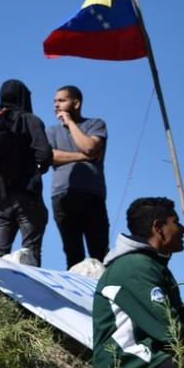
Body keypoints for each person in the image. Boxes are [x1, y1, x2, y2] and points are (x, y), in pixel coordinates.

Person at [92, 197, 184, 368]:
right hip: (131, 364)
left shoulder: (152, 266)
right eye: (176, 222)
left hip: (151, 363)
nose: (183, 229)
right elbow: (174, 333)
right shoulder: (135, 268)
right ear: (158, 227)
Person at [0, 79, 52, 266]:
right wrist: (35, 175)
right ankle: (30, 293)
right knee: (30, 251)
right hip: (27, 197)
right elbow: (45, 154)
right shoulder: (29, 120)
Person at [46, 85, 109, 268]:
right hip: (62, 195)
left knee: (100, 252)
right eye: (54, 101)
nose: (56, 105)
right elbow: (49, 156)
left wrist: (70, 123)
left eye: (61, 100)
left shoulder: (95, 124)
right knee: (73, 253)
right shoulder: (51, 131)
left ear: (76, 103)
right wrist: (82, 157)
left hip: (92, 195)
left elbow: (89, 146)